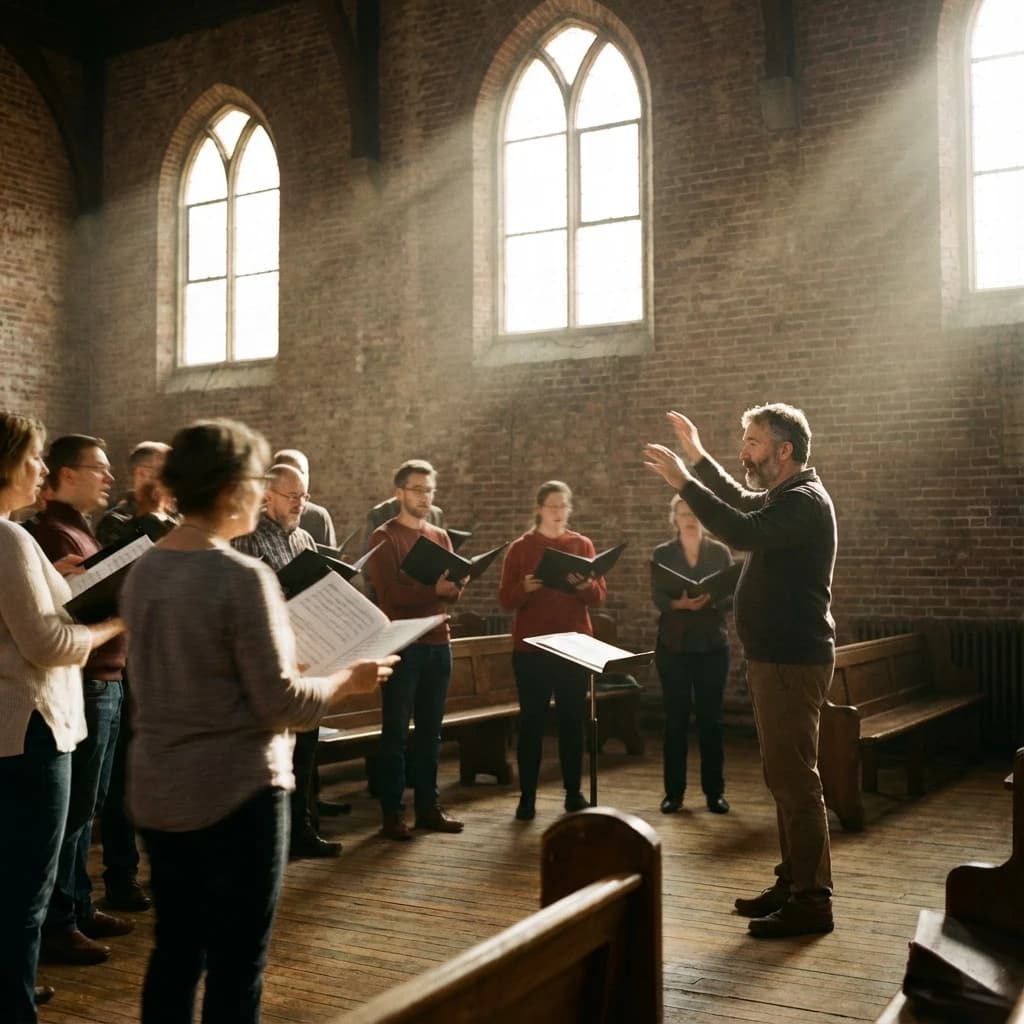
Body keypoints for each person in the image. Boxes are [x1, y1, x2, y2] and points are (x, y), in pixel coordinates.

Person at [121, 419, 395, 1024]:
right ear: (229, 489)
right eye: (254, 480)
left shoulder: (145, 570)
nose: (259, 492)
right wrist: (345, 683)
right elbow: (284, 705)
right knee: (236, 964)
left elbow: (177, 675)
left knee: (174, 955)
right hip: (235, 792)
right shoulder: (243, 576)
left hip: (160, 788)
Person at [644, 403, 837, 939]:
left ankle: (812, 902)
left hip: (792, 660)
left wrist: (683, 481)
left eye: (752, 442)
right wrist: (697, 455)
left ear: (784, 451)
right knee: (783, 778)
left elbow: (739, 530)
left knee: (797, 783)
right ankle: (793, 881)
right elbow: (742, 502)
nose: (744, 451)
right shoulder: (785, 496)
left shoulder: (804, 502)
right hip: (776, 659)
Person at [0, 411, 124, 1023]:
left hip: (14, 730)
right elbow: (47, 644)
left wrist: (81, 588)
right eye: (35, 457)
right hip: (32, 726)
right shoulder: (9, 537)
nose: (43, 469)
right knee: (23, 892)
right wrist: (115, 621)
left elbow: (50, 605)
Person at [32, 435, 135, 964]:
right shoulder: (46, 532)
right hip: (87, 678)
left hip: (106, 677)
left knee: (86, 807)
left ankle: (79, 904)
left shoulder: (79, 529)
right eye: (100, 468)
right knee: (73, 814)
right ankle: (60, 920)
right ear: (67, 475)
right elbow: (57, 618)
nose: (109, 479)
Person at [233, 464, 338, 859]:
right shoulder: (245, 538)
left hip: (308, 657)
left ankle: (302, 830)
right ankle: (265, 838)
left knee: (306, 750)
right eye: (292, 495)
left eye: (304, 496)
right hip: (267, 661)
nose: (300, 503)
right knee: (270, 755)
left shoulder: (307, 538)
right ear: (267, 496)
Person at [95, 442, 177, 915]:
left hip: (167, 665)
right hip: (128, 666)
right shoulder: (116, 523)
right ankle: (121, 875)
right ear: (145, 474)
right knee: (125, 777)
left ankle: (160, 866)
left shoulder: (176, 521)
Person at [364, 459, 465, 841]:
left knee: (430, 733)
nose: (425, 497)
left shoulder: (440, 536)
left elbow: (449, 592)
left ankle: (428, 808)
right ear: (399, 493)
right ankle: (392, 814)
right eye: (418, 489)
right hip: (402, 646)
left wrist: (454, 589)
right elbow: (389, 597)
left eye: (429, 490)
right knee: (395, 734)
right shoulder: (383, 538)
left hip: (439, 642)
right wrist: (433, 592)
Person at [498, 481, 607, 822]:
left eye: (564, 506)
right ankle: (527, 798)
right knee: (531, 724)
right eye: (552, 506)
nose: (559, 512)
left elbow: (599, 597)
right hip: (532, 648)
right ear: (539, 509)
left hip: (574, 647)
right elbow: (505, 599)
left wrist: (587, 586)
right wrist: (524, 588)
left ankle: (573, 794)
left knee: (573, 722)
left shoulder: (581, 544)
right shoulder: (521, 548)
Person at [650, 496, 733, 816]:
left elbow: (730, 596)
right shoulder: (663, 554)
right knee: (675, 722)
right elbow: (657, 595)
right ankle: (674, 793)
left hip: (712, 645)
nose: (690, 519)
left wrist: (710, 601)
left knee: (711, 722)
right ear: (674, 518)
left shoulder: (719, 552)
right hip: (674, 646)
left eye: (695, 513)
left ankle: (715, 793)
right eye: (683, 514)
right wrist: (678, 605)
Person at [272, 448, 337, 548]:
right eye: (291, 473)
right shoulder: (254, 521)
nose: (298, 479)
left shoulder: (317, 517)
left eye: (301, 473)